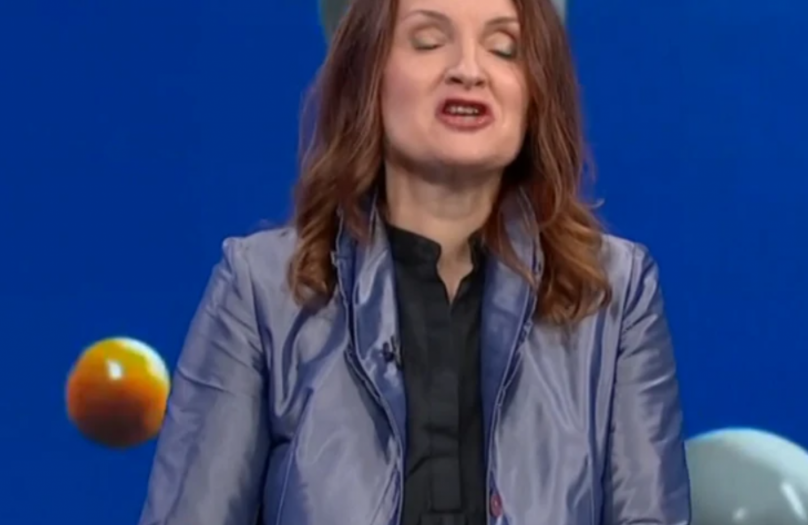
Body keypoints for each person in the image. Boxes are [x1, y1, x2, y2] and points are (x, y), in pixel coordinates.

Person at [136, 0, 691, 523]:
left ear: (537, 91)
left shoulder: (615, 295)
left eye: (504, 49)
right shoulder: (262, 290)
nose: (469, 70)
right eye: (428, 41)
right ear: (367, 74)